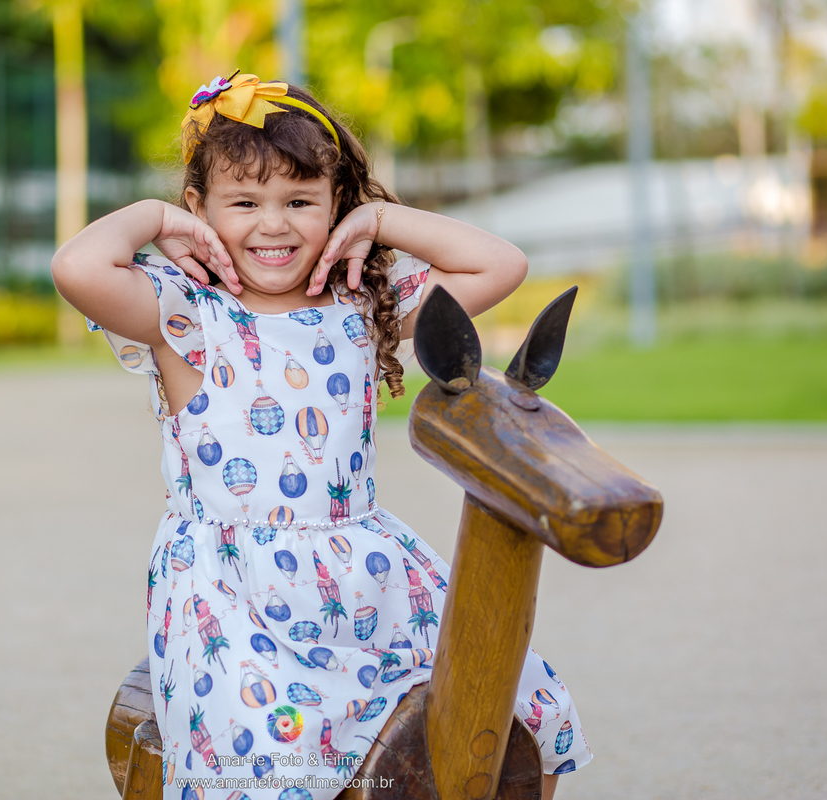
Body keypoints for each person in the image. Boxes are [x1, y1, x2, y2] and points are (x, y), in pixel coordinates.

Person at [52, 72, 590, 799]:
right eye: (244, 202)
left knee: (517, 700)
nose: (274, 226)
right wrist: (153, 217)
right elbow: (76, 267)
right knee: (280, 753)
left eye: (300, 202)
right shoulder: (186, 315)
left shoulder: (359, 306)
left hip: (369, 578)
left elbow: (500, 263)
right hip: (236, 598)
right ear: (198, 210)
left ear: (335, 205)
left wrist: (377, 222)